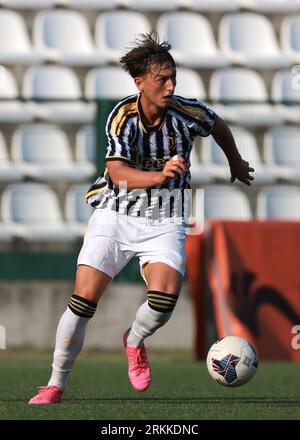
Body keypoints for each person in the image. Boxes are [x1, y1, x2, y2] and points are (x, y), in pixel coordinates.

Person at [29, 32, 254, 404]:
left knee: (164, 300)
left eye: (172, 78)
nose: (170, 86)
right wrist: (160, 175)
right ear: (140, 83)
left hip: (165, 217)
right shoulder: (122, 116)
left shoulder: (187, 113)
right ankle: (55, 384)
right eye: (161, 79)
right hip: (116, 213)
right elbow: (117, 173)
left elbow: (218, 126)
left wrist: (235, 161)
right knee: (83, 299)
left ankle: (133, 340)